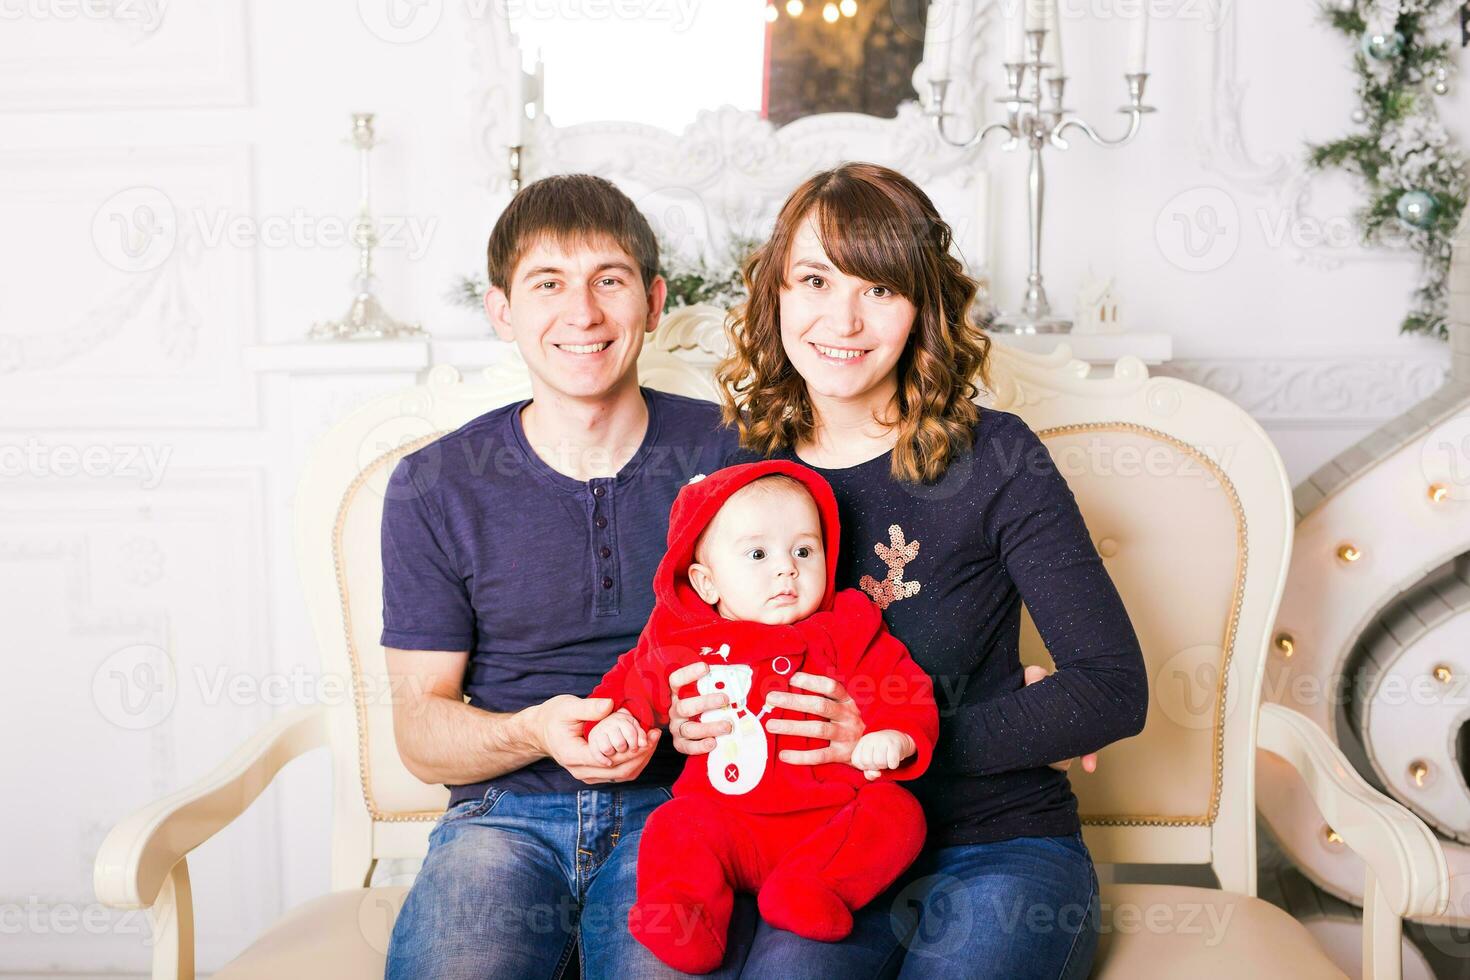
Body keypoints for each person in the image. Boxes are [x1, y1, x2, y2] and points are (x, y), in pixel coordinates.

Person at [663, 161, 1151, 979]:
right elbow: (694, 655)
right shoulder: (741, 476)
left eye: (879, 289)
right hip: (815, 855)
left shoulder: (996, 458)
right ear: (775, 295)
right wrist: (690, 726)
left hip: (999, 849)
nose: (842, 318)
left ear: (922, 306)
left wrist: (899, 743)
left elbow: (1109, 687)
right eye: (814, 280)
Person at [380, 173, 744, 979]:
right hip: (500, 817)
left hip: (686, 809)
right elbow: (420, 730)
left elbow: (804, 636)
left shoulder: (732, 459)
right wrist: (532, 729)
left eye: (608, 281)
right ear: (502, 310)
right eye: (549, 284)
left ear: (652, 301)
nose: (582, 314)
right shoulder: (435, 484)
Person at [583, 461, 939, 973]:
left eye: (803, 550)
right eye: (757, 553)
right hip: (728, 823)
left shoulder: (847, 628)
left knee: (898, 813)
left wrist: (896, 736)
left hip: (828, 824)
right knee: (673, 824)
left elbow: (902, 684)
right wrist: (617, 719)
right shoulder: (687, 641)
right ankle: (686, 915)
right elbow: (633, 681)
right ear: (706, 583)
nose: (786, 568)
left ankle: (817, 887)